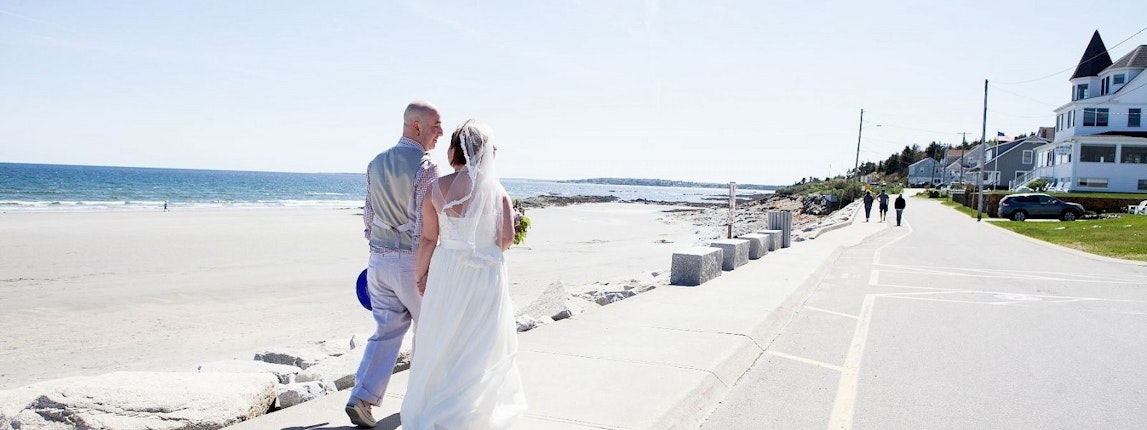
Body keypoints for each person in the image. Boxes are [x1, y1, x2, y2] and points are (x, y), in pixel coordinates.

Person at [400, 120, 527, 429]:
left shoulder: (437, 188)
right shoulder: (498, 193)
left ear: (455, 150)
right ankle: (466, 412)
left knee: (444, 339)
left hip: (448, 271)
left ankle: (436, 409)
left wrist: (420, 276)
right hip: (486, 276)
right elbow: (506, 240)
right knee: (479, 344)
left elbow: (429, 238)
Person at [345, 101, 442, 428]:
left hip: (378, 261)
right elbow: (423, 228)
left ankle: (362, 396)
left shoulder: (376, 162)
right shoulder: (426, 167)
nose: (440, 132)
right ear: (417, 127)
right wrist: (422, 269)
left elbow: (369, 216)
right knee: (427, 330)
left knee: (385, 331)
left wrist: (378, 249)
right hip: (408, 262)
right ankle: (423, 401)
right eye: (435, 126)